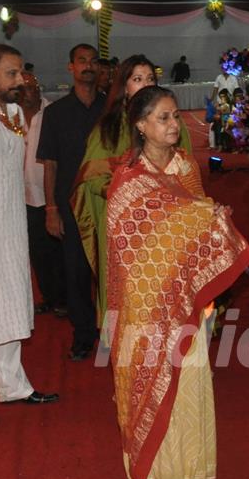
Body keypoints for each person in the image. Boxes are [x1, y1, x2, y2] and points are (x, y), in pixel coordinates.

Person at [106, 85, 249, 479]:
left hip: (186, 289)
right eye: (164, 118)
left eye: (175, 116)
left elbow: (195, 213)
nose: (174, 125)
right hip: (147, 300)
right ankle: (159, 474)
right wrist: (197, 220)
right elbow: (126, 245)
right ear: (141, 126)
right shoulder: (127, 182)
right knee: (153, 372)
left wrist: (212, 220)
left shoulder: (185, 166)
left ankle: (189, 464)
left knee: (189, 374)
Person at [73, 55, 192, 337]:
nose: (145, 84)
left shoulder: (172, 123)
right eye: (137, 79)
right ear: (124, 87)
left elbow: (188, 174)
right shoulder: (108, 127)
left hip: (166, 224)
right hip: (125, 229)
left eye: (150, 78)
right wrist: (130, 194)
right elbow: (90, 177)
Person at [0, 44, 59, 426]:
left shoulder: (11, 112)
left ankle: (12, 385)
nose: (20, 80)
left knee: (9, 303)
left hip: (10, 225)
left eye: (22, 72)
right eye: (11, 73)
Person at [37, 44, 106, 361]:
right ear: (71, 68)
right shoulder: (55, 113)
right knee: (76, 272)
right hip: (71, 205)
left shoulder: (112, 110)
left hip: (109, 203)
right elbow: (49, 164)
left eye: (93, 61)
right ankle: (83, 336)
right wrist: (51, 209)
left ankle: (112, 332)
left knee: (110, 273)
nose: (88, 66)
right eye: (82, 61)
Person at [18, 71, 66, 318]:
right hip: (22, 197)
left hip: (49, 195)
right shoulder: (9, 116)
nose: (32, 91)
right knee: (37, 252)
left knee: (57, 250)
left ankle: (63, 299)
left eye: (34, 86)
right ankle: (48, 297)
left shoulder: (53, 114)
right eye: (25, 87)